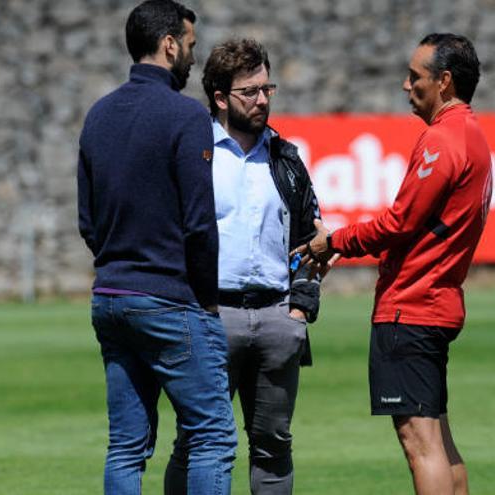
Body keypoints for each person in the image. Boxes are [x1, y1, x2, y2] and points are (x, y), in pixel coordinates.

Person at [296, 33, 491, 495]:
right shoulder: (474, 135)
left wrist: (334, 241)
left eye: (414, 76)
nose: (406, 86)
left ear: (444, 81)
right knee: (439, 440)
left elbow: (400, 222)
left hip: (412, 308)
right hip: (438, 301)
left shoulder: (442, 140)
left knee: (419, 443)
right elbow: (420, 226)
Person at [76, 1, 236, 493]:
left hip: (111, 297)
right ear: (169, 44)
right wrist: (206, 299)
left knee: (125, 446)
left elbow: (88, 222)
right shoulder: (186, 116)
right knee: (212, 436)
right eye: (189, 45)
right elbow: (199, 224)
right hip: (171, 299)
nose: (193, 55)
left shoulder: (98, 115)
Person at [164, 38, 328, 495]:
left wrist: (299, 310)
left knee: (274, 446)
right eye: (249, 91)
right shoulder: (194, 153)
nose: (261, 100)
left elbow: (316, 240)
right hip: (210, 317)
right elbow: (171, 235)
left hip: (278, 318)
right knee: (196, 443)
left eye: (267, 89)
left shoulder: (287, 159)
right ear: (219, 97)